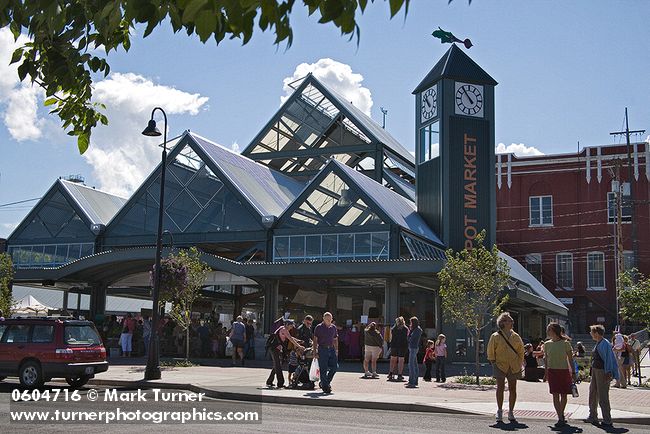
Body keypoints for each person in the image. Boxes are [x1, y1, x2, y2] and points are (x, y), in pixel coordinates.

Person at [487, 312, 524, 423]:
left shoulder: (516, 336)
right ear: (502, 322)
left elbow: (521, 351)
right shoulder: (495, 336)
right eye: (508, 320)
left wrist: (519, 362)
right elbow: (490, 350)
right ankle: (499, 410)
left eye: (511, 320)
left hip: (513, 365)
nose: (511, 321)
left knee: (513, 388)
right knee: (500, 387)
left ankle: (511, 411)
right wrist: (493, 362)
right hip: (499, 365)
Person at [584, 324, 619, 427]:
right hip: (596, 370)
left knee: (603, 396)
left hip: (602, 371)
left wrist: (609, 372)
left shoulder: (605, 344)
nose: (590, 334)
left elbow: (609, 359)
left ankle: (607, 419)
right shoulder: (599, 343)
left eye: (592, 332)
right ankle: (593, 416)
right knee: (593, 393)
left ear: (597, 333)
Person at [543, 322, 577, 428]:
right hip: (552, 371)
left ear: (553, 331)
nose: (547, 331)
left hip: (563, 371)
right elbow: (546, 359)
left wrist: (574, 373)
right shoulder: (547, 344)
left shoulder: (565, 343)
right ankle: (560, 416)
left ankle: (561, 414)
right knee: (555, 394)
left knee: (564, 394)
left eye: (549, 329)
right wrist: (546, 373)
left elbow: (571, 359)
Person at [266, 320, 303, 388]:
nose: (291, 328)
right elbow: (290, 338)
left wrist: (298, 341)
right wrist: (299, 346)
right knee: (278, 366)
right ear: (286, 324)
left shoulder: (282, 328)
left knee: (276, 365)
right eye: (290, 326)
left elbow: (290, 337)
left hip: (275, 348)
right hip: (274, 349)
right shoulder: (284, 329)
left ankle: (269, 381)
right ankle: (280, 383)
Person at [313, 312, 338, 393]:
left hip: (331, 349)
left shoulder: (333, 327)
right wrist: (315, 351)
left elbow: (335, 339)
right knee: (323, 369)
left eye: (330, 319)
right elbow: (315, 340)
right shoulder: (319, 327)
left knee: (335, 367)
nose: (329, 320)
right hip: (322, 349)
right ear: (323, 318)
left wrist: (336, 350)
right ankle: (325, 387)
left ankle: (325, 382)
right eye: (327, 319)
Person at [388, 316, 408, 382]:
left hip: (394, 345)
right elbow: (407, 337)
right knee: (401, 360)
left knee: (392, 359)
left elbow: (390, 338)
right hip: (402, 346)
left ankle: (390, 373)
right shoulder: (405, 328)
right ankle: (399, 374)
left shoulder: (393, 328)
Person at [405, 317, 422, 388]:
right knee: (414, 364)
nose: (410, 324)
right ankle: (413, 380)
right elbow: (409, 337)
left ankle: (412, 381)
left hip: (414, 348)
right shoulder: (414, 329)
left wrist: (409, 337)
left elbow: (411, 339)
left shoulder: (417, 330)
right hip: (412, 347)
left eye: (411, 322)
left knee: (411, 364)